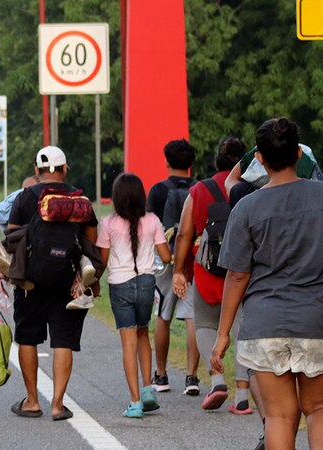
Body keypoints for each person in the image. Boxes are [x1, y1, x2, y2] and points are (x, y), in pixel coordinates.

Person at [210, 118, 323, 450]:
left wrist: (223, 334)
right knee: (321, 408)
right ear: (299, 153)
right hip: (317, 319)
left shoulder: (246, 207)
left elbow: (238, 275)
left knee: (280, 417)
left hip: (264, 323)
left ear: (258, 159)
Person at [7, 145, 98, 420]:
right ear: (65, 169)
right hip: (68, 281)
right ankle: (58, 405)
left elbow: (11, 238)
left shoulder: (25, 197)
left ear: (37, 170)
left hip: (30, 283)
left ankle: (32, 401)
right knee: (63, 341)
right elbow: (91, 239)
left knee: (27, 338)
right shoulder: (79, 199)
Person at [172, 136, 252, 413]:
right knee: (243, 330)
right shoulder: (253, 188)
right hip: (243, 270)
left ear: (216, 160)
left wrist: (178, 271)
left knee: (205, 324)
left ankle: (217, 379)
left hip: (206, 269)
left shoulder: (199, 190)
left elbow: (184, 233)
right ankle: (242, 398)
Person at [97, 173, 172, 418]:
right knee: (143, 334)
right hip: (147, 283)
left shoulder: (109, 223)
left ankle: (135, 401)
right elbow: (167, 256)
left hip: (120, 284)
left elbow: (103, 260)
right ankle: (148, 389)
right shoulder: (152, 220)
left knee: (127, 342)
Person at [146, 138, 201, 395]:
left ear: (167, 161)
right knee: (192, 317)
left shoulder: (158, 190)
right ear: (191, 163)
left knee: (163, 316)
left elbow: (149, 225)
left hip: (165, 259)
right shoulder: (200, 188)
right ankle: (192, 377)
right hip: (192, 259)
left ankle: (161, 374)